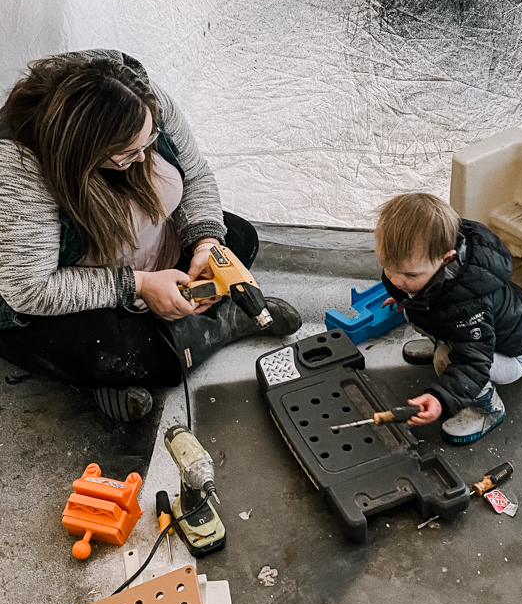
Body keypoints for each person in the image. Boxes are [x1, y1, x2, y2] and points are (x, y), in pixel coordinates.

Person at [0, 49, 301, 421]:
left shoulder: (140, 98)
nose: (143, 158)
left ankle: (161, 348)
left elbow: (197, 175)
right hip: (59, 286)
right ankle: (215, 328)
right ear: (81, 152)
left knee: (239, 238)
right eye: (127, 153)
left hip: (146, 247)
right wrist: (137, 286)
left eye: (149, 141)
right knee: (105, 350)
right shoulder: (19, 168)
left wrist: (206, 243)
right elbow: (29, 289)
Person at [375, 193, 522, 444]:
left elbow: (472, 362)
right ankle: (448, 344)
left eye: (409, 274)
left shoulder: (469, 306)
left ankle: (487, 410)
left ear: (447, 259)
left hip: (509, 354)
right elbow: (412, 284)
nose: (397, 280)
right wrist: (405, 296)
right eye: (388, 267)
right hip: (472, 334)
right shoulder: (423, 273)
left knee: (449, 358)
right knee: (411, 309)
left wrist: (442, 399)